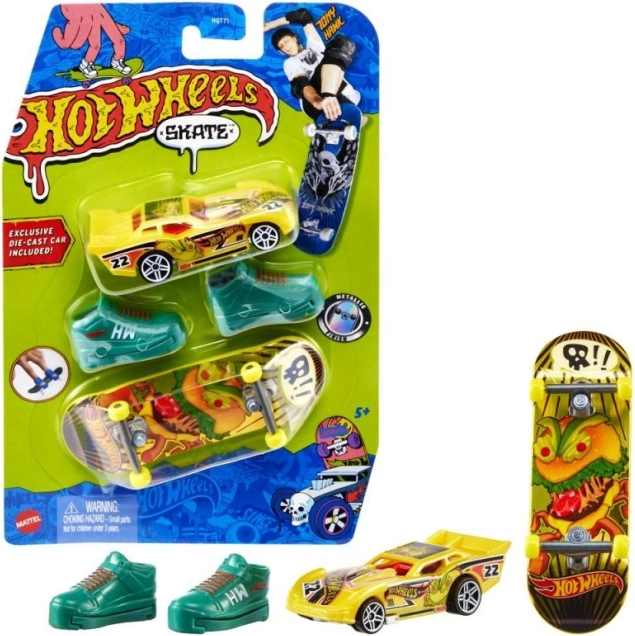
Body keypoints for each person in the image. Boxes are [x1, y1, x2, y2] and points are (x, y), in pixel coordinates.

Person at [264, 8, 360, 121]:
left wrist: (270, 25)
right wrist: (317, 101)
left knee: (342, 44)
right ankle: (329, 100)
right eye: (281, 46)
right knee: (310, 81)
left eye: (286, 41)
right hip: (314, 101)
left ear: (294, 38)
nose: (285, 46)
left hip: (346, 95)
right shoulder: (290, 62)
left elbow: (303, 16)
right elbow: (301, 83)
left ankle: (341, 113)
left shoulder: (314, 47)